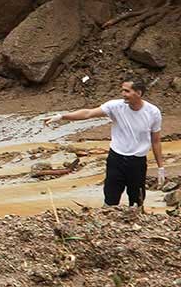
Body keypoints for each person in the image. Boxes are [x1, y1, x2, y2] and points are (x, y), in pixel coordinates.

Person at [46, 79, 165, 207]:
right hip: (116, 159)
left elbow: (156, 141)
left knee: (137, 199)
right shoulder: (115, 106)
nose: (123, 94)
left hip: (137, 161)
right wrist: (62, 117)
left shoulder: (153, 112)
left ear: (139, 93)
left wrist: (160, 168)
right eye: (122, 90)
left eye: (127, 91)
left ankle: (135, 221)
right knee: (110, 197)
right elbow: (88, 113)